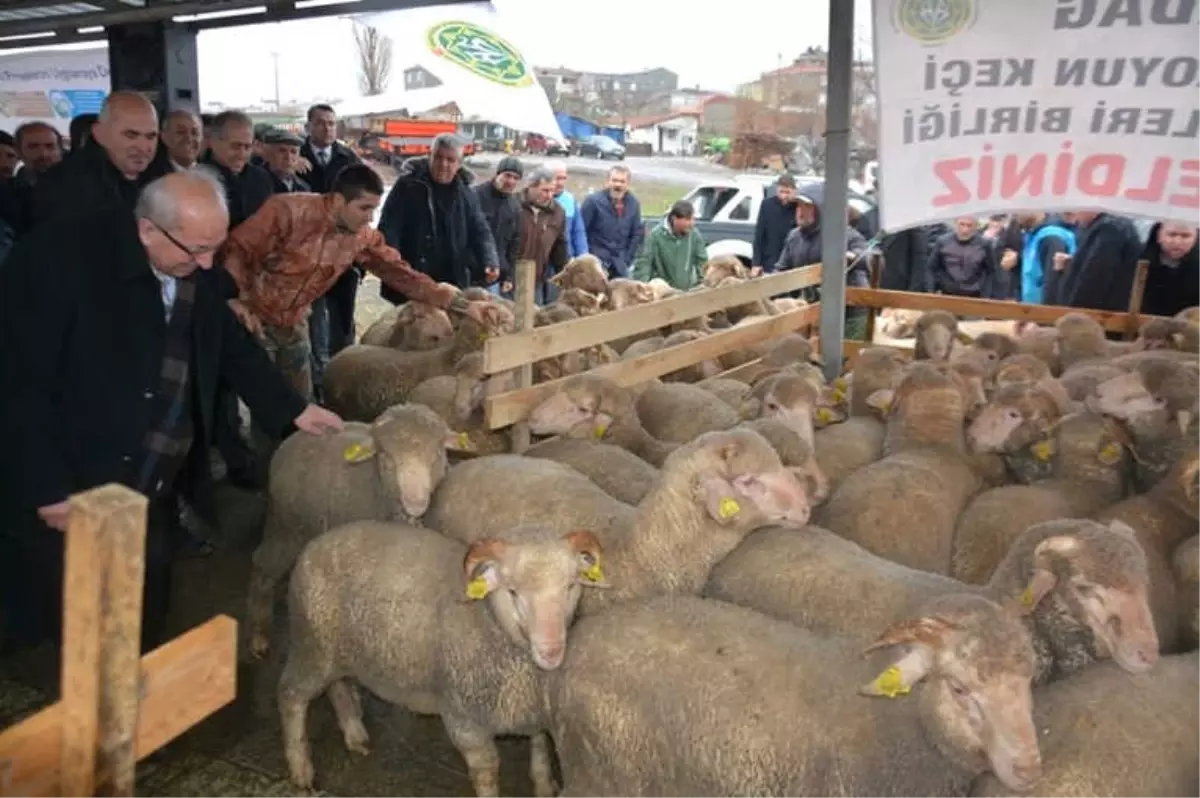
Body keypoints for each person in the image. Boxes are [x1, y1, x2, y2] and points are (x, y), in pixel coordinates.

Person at [0, 169, 342, 660]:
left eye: (215, 249)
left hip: (152, 474)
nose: (207, 266)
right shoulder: (57, 263)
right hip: (76, 472)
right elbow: (19, 382)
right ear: (147, 230)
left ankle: (135, 691)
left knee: (145, 593)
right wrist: (47, 486)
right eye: (196, 250)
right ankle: (69, 702)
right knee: (70, 606)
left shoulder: (187, 270)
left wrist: (293, 410)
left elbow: (230, 347)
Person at [222, 163, 495, 399]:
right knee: (257, 398)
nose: (370, 218)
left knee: (296, 400)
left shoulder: (361, 236)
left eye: (374, 209)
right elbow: (236, 250)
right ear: (339, 201)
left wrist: (460, 304)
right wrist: (239, 300)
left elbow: (401, 273)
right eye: (364, 208)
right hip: (251, 319)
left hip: (294, 322)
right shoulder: (287, 212)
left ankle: (288, 450)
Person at [377, 133, 499, 301]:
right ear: (429, 156)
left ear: (459, 164)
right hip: (414, 278)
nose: (443, 164)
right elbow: (389, 228)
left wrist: (489, 260)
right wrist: (395, 268)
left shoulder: (466, 193)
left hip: (452, 279)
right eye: (438, 157)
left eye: (450, 160)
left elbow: (480, 230)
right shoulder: (408, 186)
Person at [31, 92, 168, 227]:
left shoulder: (163, 177)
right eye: (131, 135)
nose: (143, 147)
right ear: (99, 133)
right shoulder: (63, 188)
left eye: (151, 137)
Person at [773, 183, 869, 338]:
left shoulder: (843, 235)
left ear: (820, 209)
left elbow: (869, 255)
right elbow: (781, 270)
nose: (800, 211)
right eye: (798, 206)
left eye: (807, 206)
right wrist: (762, 285)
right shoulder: (794, 237)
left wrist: (852, 256)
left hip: (849, 312)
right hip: (812, 310)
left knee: (848, 358)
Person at [1057, 211, 1142, 311]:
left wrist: (1075, 315)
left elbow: (1095, 278)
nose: (1075, 218)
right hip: (1107, 312)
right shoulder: (1108, 228)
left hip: (1102, 316)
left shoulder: (1109, 230)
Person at [515, 167, 568, 304]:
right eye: (545, 190)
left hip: (536, 280)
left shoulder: (558, 212)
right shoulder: (514, 205)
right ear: (531, 187)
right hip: (510, 278)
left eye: (552, 190)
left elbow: (560, 248)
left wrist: (563, 275)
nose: (550, 195)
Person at [580, 164, 643, 277]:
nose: (618, 185)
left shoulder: (634, 204)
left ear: (627, 184)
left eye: (622, 181)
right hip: (596, 265)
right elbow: (581, 231)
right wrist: (588, 258)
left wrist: (627, 259)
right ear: (608, 181)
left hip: (620, 265)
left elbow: (636, 234)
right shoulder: (593, 202)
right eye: (614, 180)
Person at [632, 199, 708, 290]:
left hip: (685, 294)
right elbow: (643, 264)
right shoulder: (655, 236)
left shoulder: (694, 235)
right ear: (674, 218)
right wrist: (644, 289)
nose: (692, 223)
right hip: (663, 295)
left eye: (693, 219)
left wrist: (705, 285)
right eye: (687, 219)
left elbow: (703, 262)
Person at [474, 155, 521, 293]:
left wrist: (509, 277)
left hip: (496, 276)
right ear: (497, 174)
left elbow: (514, 245)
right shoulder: (475, 195)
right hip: (472, 272)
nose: (511, 181)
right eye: (507, 175)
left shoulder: (514, 206)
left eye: (515, 178)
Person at [925, 216, 996, 299]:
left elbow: (991, 271)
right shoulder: (943, 242)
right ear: (956, 224)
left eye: (969, 226)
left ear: (976, 227)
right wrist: (930, 291)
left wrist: (986, 296)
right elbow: (931, 268)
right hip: (947, 293)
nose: (965, 230)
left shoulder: (984, 244)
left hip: (974, 294)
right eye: (962, 224)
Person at [1140, 220, 1200, 317]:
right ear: (1159, 235)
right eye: (1172, 235)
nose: (1177, 242)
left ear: (1196, 237)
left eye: (1185, 236)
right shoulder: (1138, 258)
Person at [1014, 212, 1075, 305]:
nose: (1015, 214)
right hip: (1031, 309)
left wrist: (1044, 315)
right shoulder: (1033, 235)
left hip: (1045, 311)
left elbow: (1053, 280)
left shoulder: (1052, 236)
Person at [753, 174, 797, 276]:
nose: (784, 196)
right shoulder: (767, 205)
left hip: (791, 263)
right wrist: (756, 263)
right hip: (769, 261)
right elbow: (759, 236)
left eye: (788, 192)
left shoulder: (797, 207)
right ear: (777, 189)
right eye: (781, 192)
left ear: (794, 192)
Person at [550, 160, 588, 258]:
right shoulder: (539, 198)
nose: (560, 183)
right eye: (557, 178)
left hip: (567, 259)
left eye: (563, 178)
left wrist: (583, 257)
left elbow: (578, 232)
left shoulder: (570, 200)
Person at [262, 128, 311, 194]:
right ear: (268, 153)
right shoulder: (256, 182)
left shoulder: (303, 187)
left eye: (293, 152)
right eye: (282, 151)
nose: (288, 157)